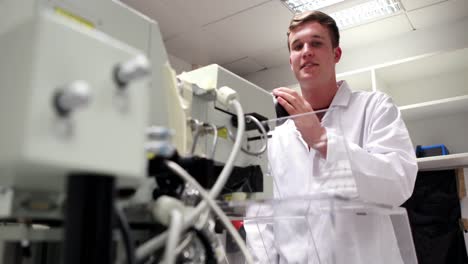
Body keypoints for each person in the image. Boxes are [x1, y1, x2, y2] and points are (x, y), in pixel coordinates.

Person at [245, 10, 418, 263]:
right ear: (291, 60)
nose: (306, 51)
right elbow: (260, 216)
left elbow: (398, 183)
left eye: (316, 43)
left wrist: (321, 139)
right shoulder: (276, 136)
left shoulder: (373, 107)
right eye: (297, 46)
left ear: (336, 54)